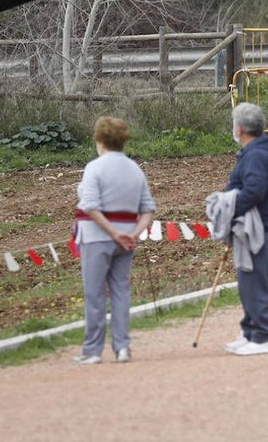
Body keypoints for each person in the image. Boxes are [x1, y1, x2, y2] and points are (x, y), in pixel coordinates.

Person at [72, 116, 157, 365]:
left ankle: (92, 350)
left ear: (99, 140)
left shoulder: (94, 168)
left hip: (96, 237)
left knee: (95, 294)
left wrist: (111, 232)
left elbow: (90, 205)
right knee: (121, 291)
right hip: (126, 241)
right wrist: (133, 232)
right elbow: (148, 209)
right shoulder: (135, 168)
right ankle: (122, 348)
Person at [223, 102, 268, 356]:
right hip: (259, 226)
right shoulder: (258, 152)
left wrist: (227, 208)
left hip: (261, 227)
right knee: (249, 281)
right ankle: (250, 330)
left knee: (254, 281)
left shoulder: (257, 155)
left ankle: (263, 336)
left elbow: (253, 191)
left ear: (240, 129)